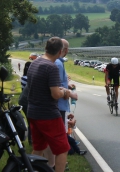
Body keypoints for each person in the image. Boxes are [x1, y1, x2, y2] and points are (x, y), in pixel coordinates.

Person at [27, 37, 74, 172]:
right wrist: (64, 92)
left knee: (39, 147)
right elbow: (55, 94)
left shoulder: (35, 63)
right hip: (48, 114)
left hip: (33, 112)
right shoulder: (51, 67)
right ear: (60, 51)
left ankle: (32, 169)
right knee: (63, 148)